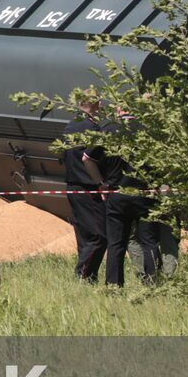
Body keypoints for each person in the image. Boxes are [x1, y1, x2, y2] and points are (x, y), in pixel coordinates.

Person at [96, 110, 157, 287]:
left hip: (117, 194)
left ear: (118, 110)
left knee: (116, 244)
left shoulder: (108, 129)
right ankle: (152, 284)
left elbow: (87, 158)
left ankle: (114, 285)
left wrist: (101, 182)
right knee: (149, 241)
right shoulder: (148, 129)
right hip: (144, 193)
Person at [60, 94, 108, 282]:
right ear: (99, 104)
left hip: (72, 185)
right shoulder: (93, 129)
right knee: (99, 236)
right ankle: (83, 274)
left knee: (85, 236)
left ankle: (88, 278)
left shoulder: (70, 126)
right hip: (89, 187)